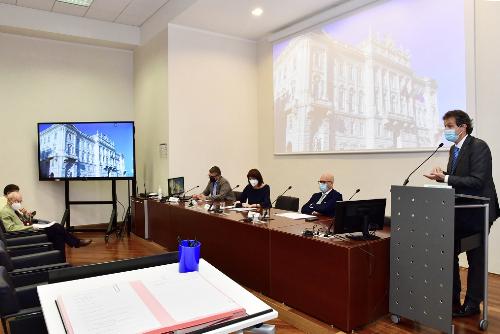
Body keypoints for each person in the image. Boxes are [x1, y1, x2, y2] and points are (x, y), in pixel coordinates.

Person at [425, 110, 499, 317]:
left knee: (476, 258)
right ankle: (452, 300)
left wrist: (446, 179)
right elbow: (459, 181)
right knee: (449, 253)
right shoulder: (453, 150)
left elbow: (476, 181)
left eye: (449, 126)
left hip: (479, 211)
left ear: (462, 126)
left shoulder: (478, 146)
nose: (446, 130)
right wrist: (443, 175)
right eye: (445, 126)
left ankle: (473, 304)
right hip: (461, 211)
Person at [1, 192, 92, 259]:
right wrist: (31, 227)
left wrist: (26, 215)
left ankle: (62, 261)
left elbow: (25, 221)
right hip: (24, 234)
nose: (19, 203)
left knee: (58, 234)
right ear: (10, 200)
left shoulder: (15, 209)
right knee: (56, 227)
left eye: (20, 201)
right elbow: (10, 229)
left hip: (29, 229)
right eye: (17, 201)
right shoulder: (5, 211)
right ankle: (76, 243)